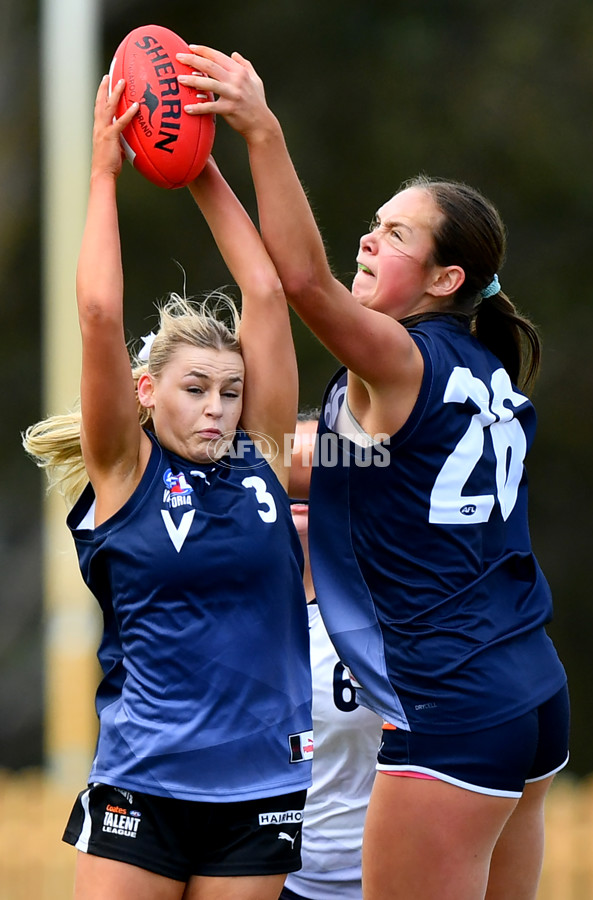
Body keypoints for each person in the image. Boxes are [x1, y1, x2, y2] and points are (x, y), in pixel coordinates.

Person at [174, 48, 570, 900]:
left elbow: (303, 282)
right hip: (532, 692)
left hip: (453, 701)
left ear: (445, 279)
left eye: (396, 234)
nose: (369, 234)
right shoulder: (479, 369)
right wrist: (231, 461)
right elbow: (339, 465)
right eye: (377, 219)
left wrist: (258, 130)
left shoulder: (400, 359)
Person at [22, 74, 313, 900]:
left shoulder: (258, 455)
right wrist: (106, 173)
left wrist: (198, 166)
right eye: (196, 390)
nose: (219, 408)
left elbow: (265, 291)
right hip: (144, 785)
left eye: (229, 388)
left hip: (260, 787)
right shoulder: (127, 470)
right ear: (148, 392)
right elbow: (101, 316)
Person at [281, 416, 382, 900]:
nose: (303, 480)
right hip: (270, 879)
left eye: (319, 469)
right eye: (289, 468)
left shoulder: (401, 615)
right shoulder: (222, 617)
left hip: (388, 879)